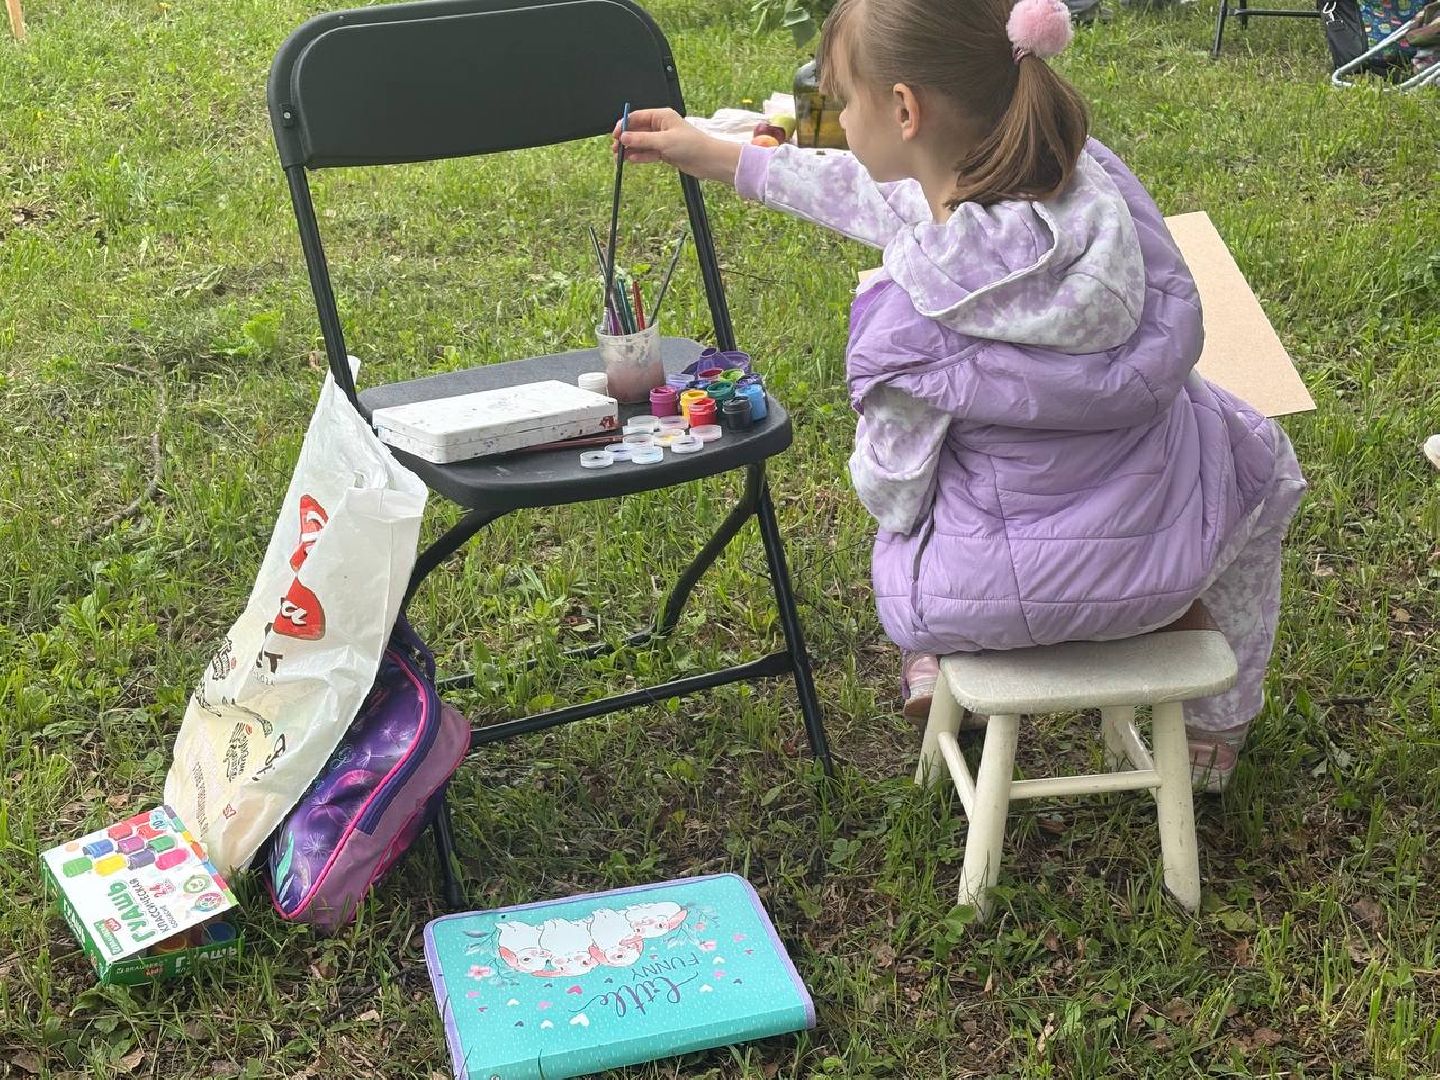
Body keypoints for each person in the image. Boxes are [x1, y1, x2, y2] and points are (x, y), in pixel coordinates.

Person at [616, 0, 1305, 791]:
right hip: (1164, 563)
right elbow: (864, 192)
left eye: (842, 101)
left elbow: (890, 491)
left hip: (988, 601)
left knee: (911, 491)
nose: (838, 118)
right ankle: (1218, 727)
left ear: (904, 110)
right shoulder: (1098, 199)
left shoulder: (912, 320)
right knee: (1253, 452)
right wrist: (714, 153)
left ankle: (932, 659)